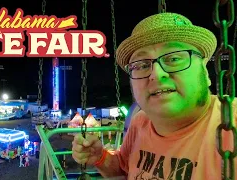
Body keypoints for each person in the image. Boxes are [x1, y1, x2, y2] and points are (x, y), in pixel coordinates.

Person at [71, 12, 237, 179]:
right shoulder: (140, 122)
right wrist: (100, 157)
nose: (156, 74)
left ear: (205, 72)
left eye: (173, 58)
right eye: (142, 65)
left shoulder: (231, 126)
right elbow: (124, 170)